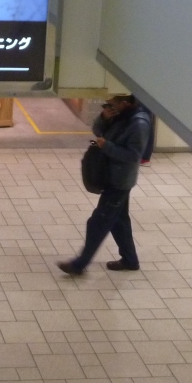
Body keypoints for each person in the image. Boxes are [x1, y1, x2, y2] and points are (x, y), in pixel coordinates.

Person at [57, 93, 151, 276]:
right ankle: (130, 260)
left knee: (97, 223)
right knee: (119, 221)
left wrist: (106, 146)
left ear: (124, 103)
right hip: (111, 175)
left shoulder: (138, 124)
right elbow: (97, 130)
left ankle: (79, 264)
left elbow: (133, 156)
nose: (108, 107)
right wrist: (103, 118)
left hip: (119, 181)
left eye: (111, 104)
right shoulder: (119, 116)